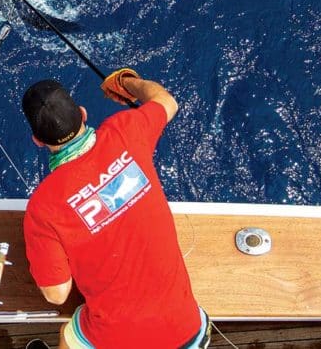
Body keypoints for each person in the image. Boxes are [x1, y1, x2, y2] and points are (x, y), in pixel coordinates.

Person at [21, 69, 209, 349]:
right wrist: (125, 83)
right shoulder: (128, 130)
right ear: (83, 114)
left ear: (37, 140)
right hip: (189, 332)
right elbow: (167, 101)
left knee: (67, 335)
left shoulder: (42, 207)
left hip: (118, 339)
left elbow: (57, 295)